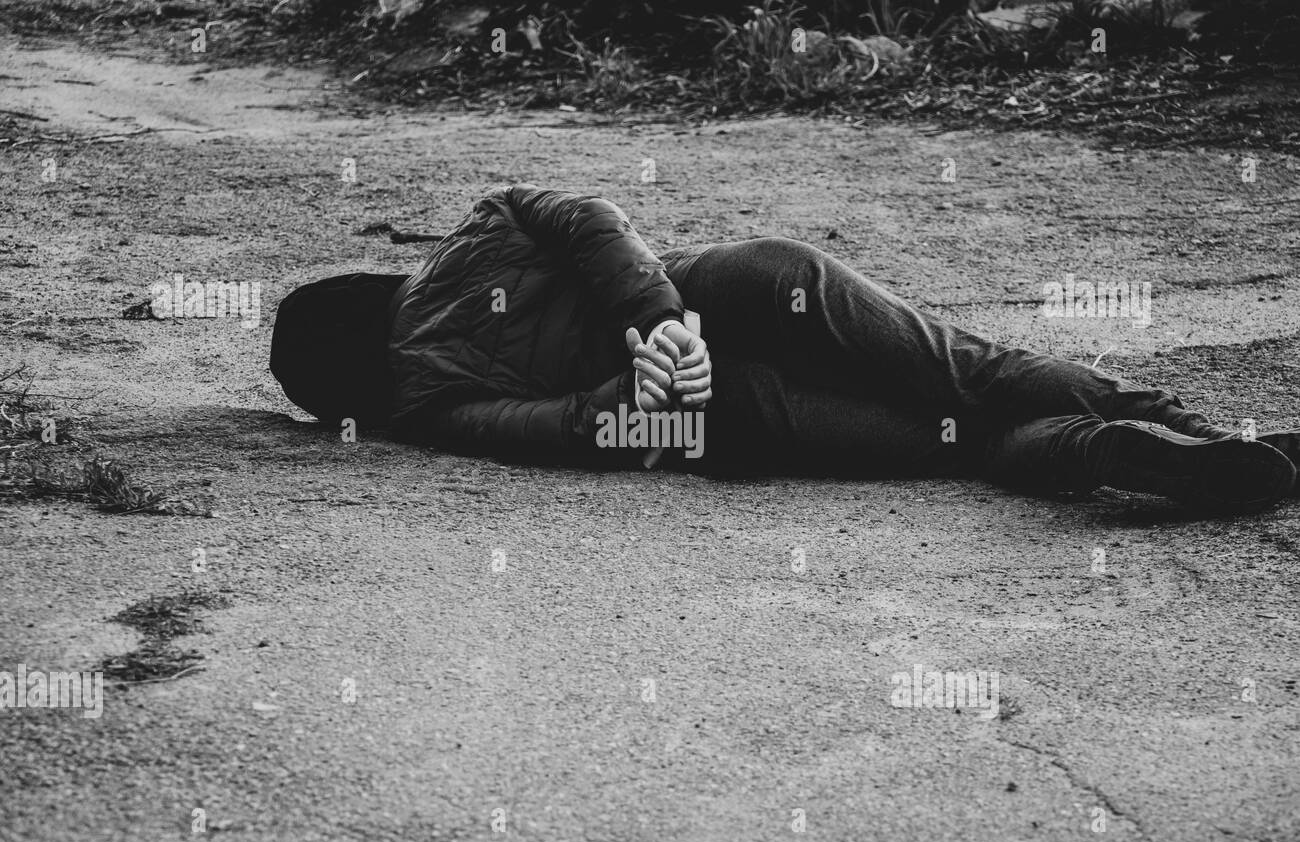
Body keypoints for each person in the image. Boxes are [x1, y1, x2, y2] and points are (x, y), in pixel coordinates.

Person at [271, 183, 1299, 514]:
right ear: (365, 290)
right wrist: (666, 318)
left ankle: (1109, 454)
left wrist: (656, 373)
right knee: (971, 374)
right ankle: (1180, 426)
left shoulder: (420, 409)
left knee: (960, 445)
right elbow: (595, 222)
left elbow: (568, 431)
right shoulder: (475, 229)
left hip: (726, 414)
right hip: (759, 285)